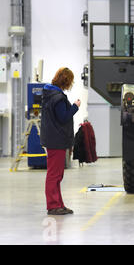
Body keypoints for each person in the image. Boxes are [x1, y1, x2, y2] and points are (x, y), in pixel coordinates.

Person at [41, 67, 81, 215]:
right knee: (54, 175)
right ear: (66, 81)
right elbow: (63, 117)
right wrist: (75, 107)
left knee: (57, 174)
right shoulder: (57, 98)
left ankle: (58, 203)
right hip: (56, 140)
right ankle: (53, 205)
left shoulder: (51, 94)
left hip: (53, 139)